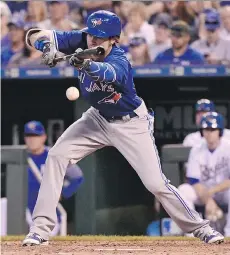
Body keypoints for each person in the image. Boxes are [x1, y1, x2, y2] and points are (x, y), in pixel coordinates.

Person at [23, 10, 224, 246]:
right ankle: (40, 230)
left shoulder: (120, 59)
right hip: (97, 118)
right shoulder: (81, 39)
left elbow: (110, 74)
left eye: (100, 36)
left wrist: (87, 65)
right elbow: (34, 34)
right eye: (91, 34)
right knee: (56, 156)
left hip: (131, 123)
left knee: (155, 183)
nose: (93, 40)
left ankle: (200, 228)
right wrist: (46, 46)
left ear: (114, 39)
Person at [24, 120, 84, 236]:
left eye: (35, 135)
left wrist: (62, 193)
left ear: (43, 137)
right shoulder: (21, 156)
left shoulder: (53, 154)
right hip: (25, 211)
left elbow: (77, 177)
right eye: (28, 136)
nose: (32, 139)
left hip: (52, 212)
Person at [178, 112, 230, 236]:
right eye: (206, 129)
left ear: (220, 131)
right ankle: (191, 235)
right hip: (202, 192)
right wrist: (208, 200)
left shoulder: (228, 147)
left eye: (213, 129)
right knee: (183, 190)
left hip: (224, 191)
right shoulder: (196, 149)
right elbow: (194, 181)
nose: (209, 133)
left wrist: (211, 193)